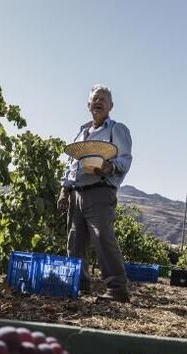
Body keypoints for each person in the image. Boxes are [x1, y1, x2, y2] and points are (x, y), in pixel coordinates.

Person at [57, 85, 133, 302]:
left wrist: (110, 167)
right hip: (77, 193)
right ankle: (80, 284)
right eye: (95, 99)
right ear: (88, 105)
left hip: (100, 190)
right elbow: (71, 165)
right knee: (75, 241)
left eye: (103, 99)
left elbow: (125, 158)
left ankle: (117, 289)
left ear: (110, 106)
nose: (98, 102)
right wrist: (65, 189)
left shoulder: (115, 129)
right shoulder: (82, 132)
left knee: (102, 237)